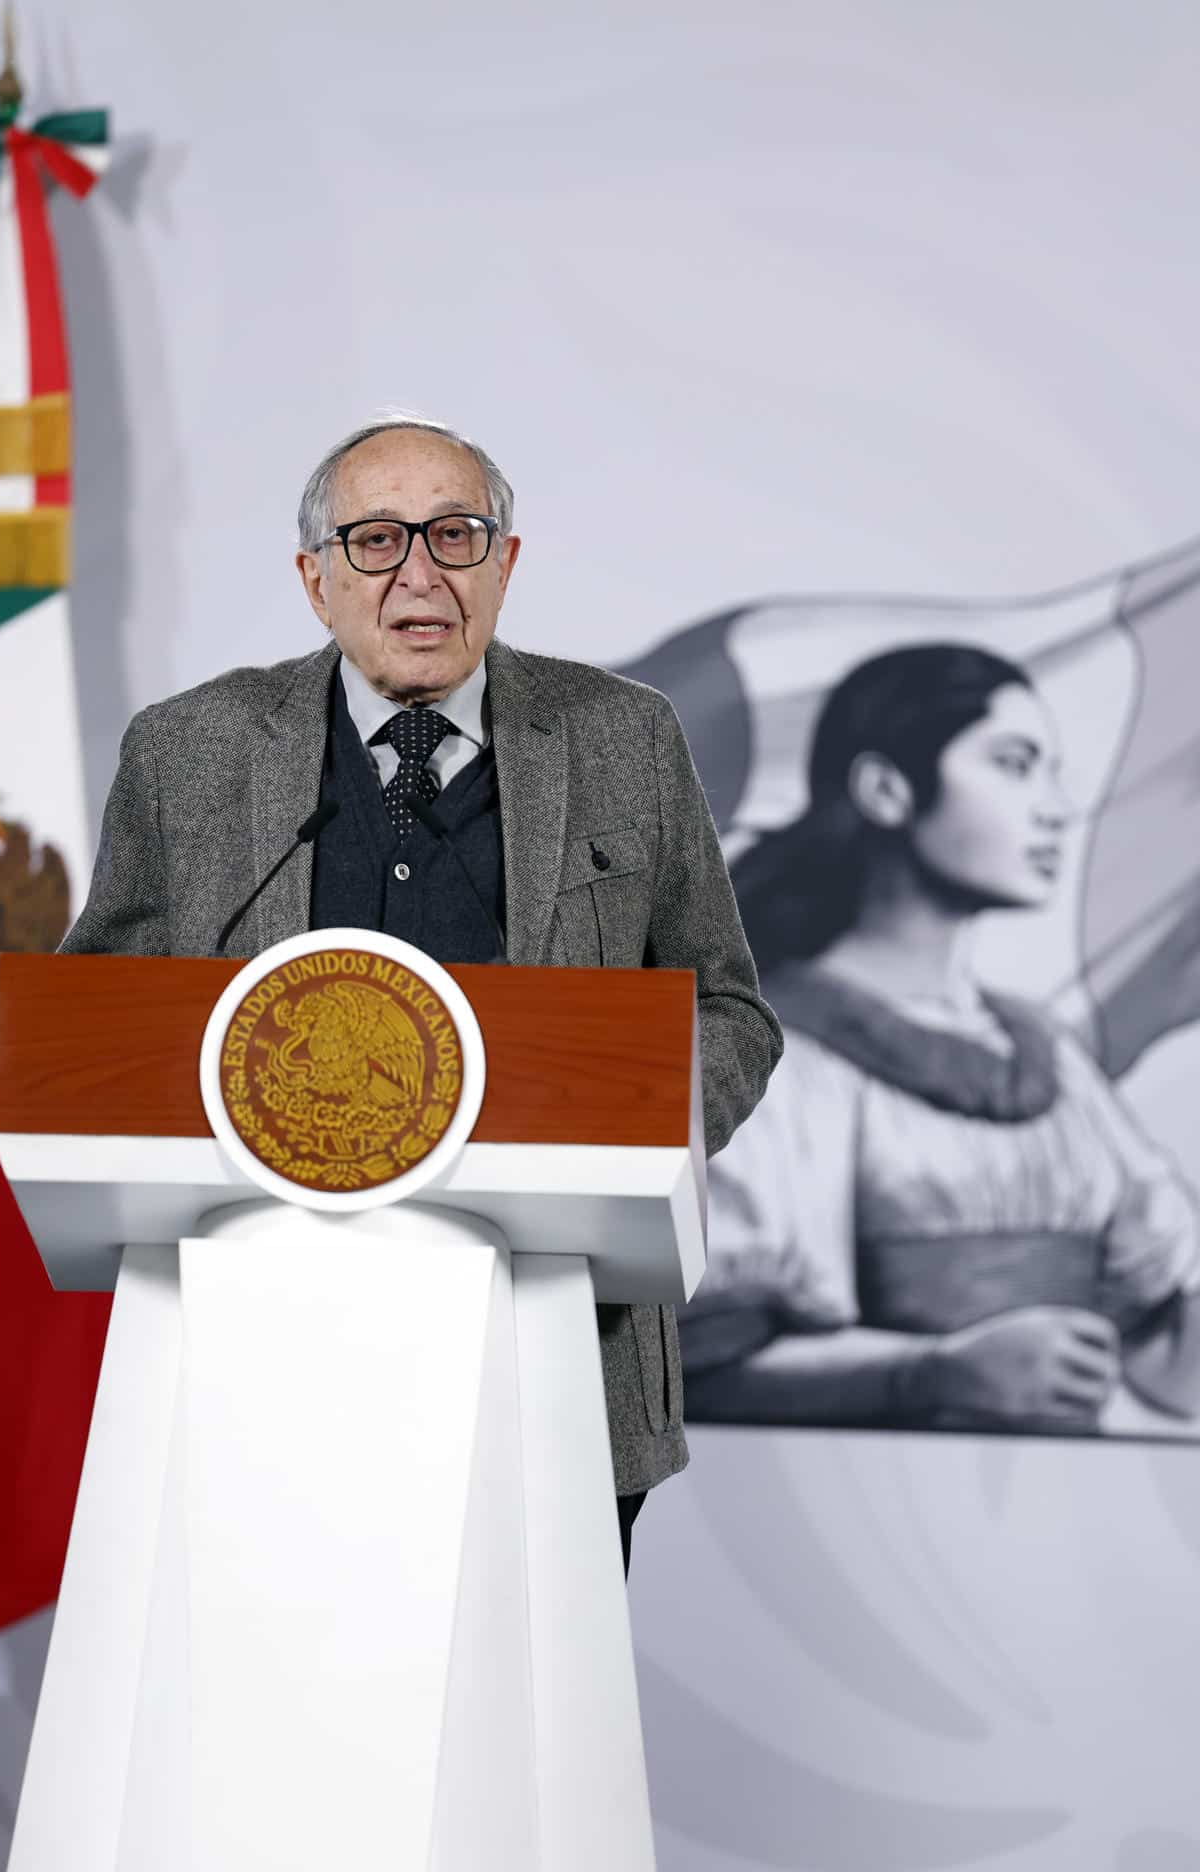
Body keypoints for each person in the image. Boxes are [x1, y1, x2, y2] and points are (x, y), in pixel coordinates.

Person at [62, 413, 783, 1567]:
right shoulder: (187, 750)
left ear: (504, 564)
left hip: (557, 1337)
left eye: (455, 536)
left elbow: (730, 1008)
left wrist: (647, 1122)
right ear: (315, 579)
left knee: (535, 1729)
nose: (419, 575)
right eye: (376, 540)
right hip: (265, 1337)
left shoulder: (624, 738)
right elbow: (98, 1016)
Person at [681, 642, 1200, 1435]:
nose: (1057, 807)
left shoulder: (1045, 1053)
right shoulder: (770, 1046)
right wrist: (934, 1372)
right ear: (887, 789)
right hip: (840, 1508)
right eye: (1016, 764)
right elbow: (699, 1358)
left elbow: (1163, 1339)